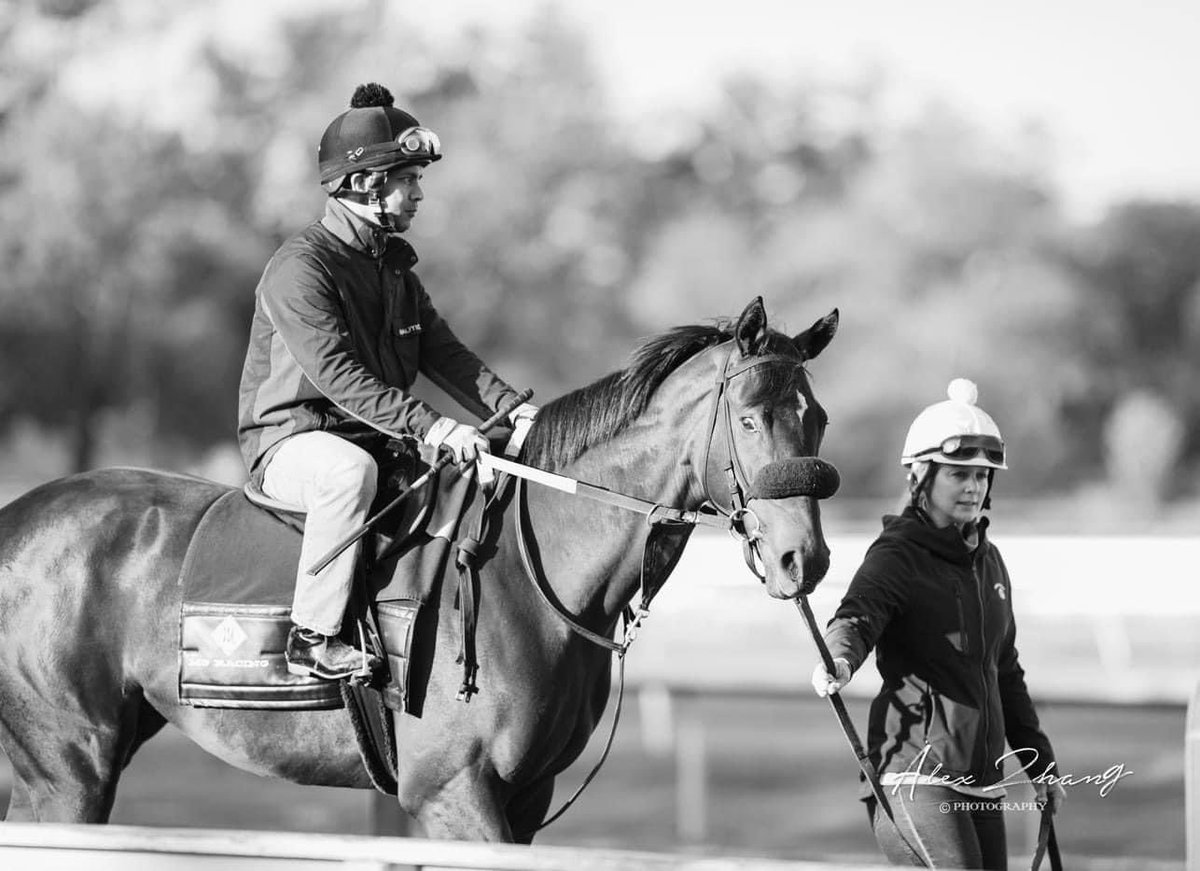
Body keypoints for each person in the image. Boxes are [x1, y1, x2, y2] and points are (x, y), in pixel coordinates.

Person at [238, 83, 536, 680]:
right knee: (350, 473)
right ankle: (312, 637)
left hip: (374, 435)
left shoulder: (393, 267)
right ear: (367, 185)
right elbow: (338, 377)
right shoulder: (300, 268)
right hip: (294, 442)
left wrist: (515, 413)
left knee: (478, 472)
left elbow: (445, 354)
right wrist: (437, 425)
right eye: (410, 179)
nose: (420, 193)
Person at [811, 378, 1065, 870]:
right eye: (958, 474)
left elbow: (1004, 674)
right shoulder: (896, 555)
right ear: (920, 476)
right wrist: (840, 657)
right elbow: (858, 615)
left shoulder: (990, 563)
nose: (974, 486)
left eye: (982, 475)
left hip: (982, 782)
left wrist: (1042, 766)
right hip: (913, 778)